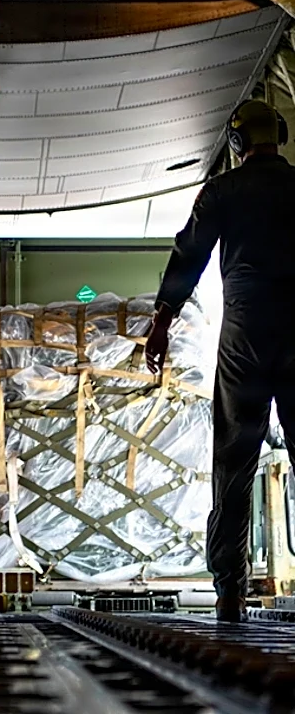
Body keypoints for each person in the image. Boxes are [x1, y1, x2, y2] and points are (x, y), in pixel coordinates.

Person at [146, 99, 295, 623]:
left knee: (235, 461)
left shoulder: (223, 191)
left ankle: (229, 591)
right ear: (278, 135)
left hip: (246, 333)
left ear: (236, 143)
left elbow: (190, 255)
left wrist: (162, 321)